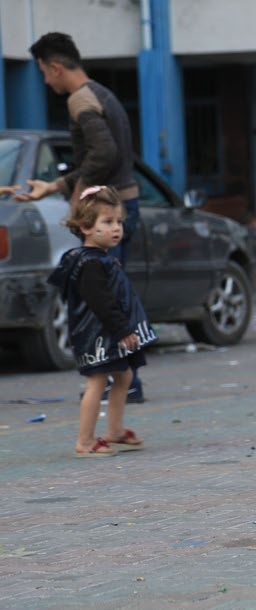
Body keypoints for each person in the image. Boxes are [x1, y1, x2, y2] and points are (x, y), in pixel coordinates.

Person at [18, 32, 146, 402]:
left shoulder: (80, 100)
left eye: (44, 72)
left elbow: (103, 154)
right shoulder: (103, 94)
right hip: (122, 206)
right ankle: (124, 381)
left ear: (56, 67)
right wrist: (55, 185)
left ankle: (120, 382)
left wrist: (78, 195)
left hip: (106, 215)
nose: (45, 80)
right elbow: (106, 154)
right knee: (113, 295)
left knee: (102, 298)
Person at [47, 186, 156, 457]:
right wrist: (122, 330)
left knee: (124, 376)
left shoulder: (98, 259)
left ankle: (115, 431)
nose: (117, 228)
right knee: (96, 383)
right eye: (107, 222)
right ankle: (84, 441)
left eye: (118, 221)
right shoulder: (91, 264)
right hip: (96, 335)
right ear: (85, 227)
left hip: (103, 333)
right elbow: (102, 303)